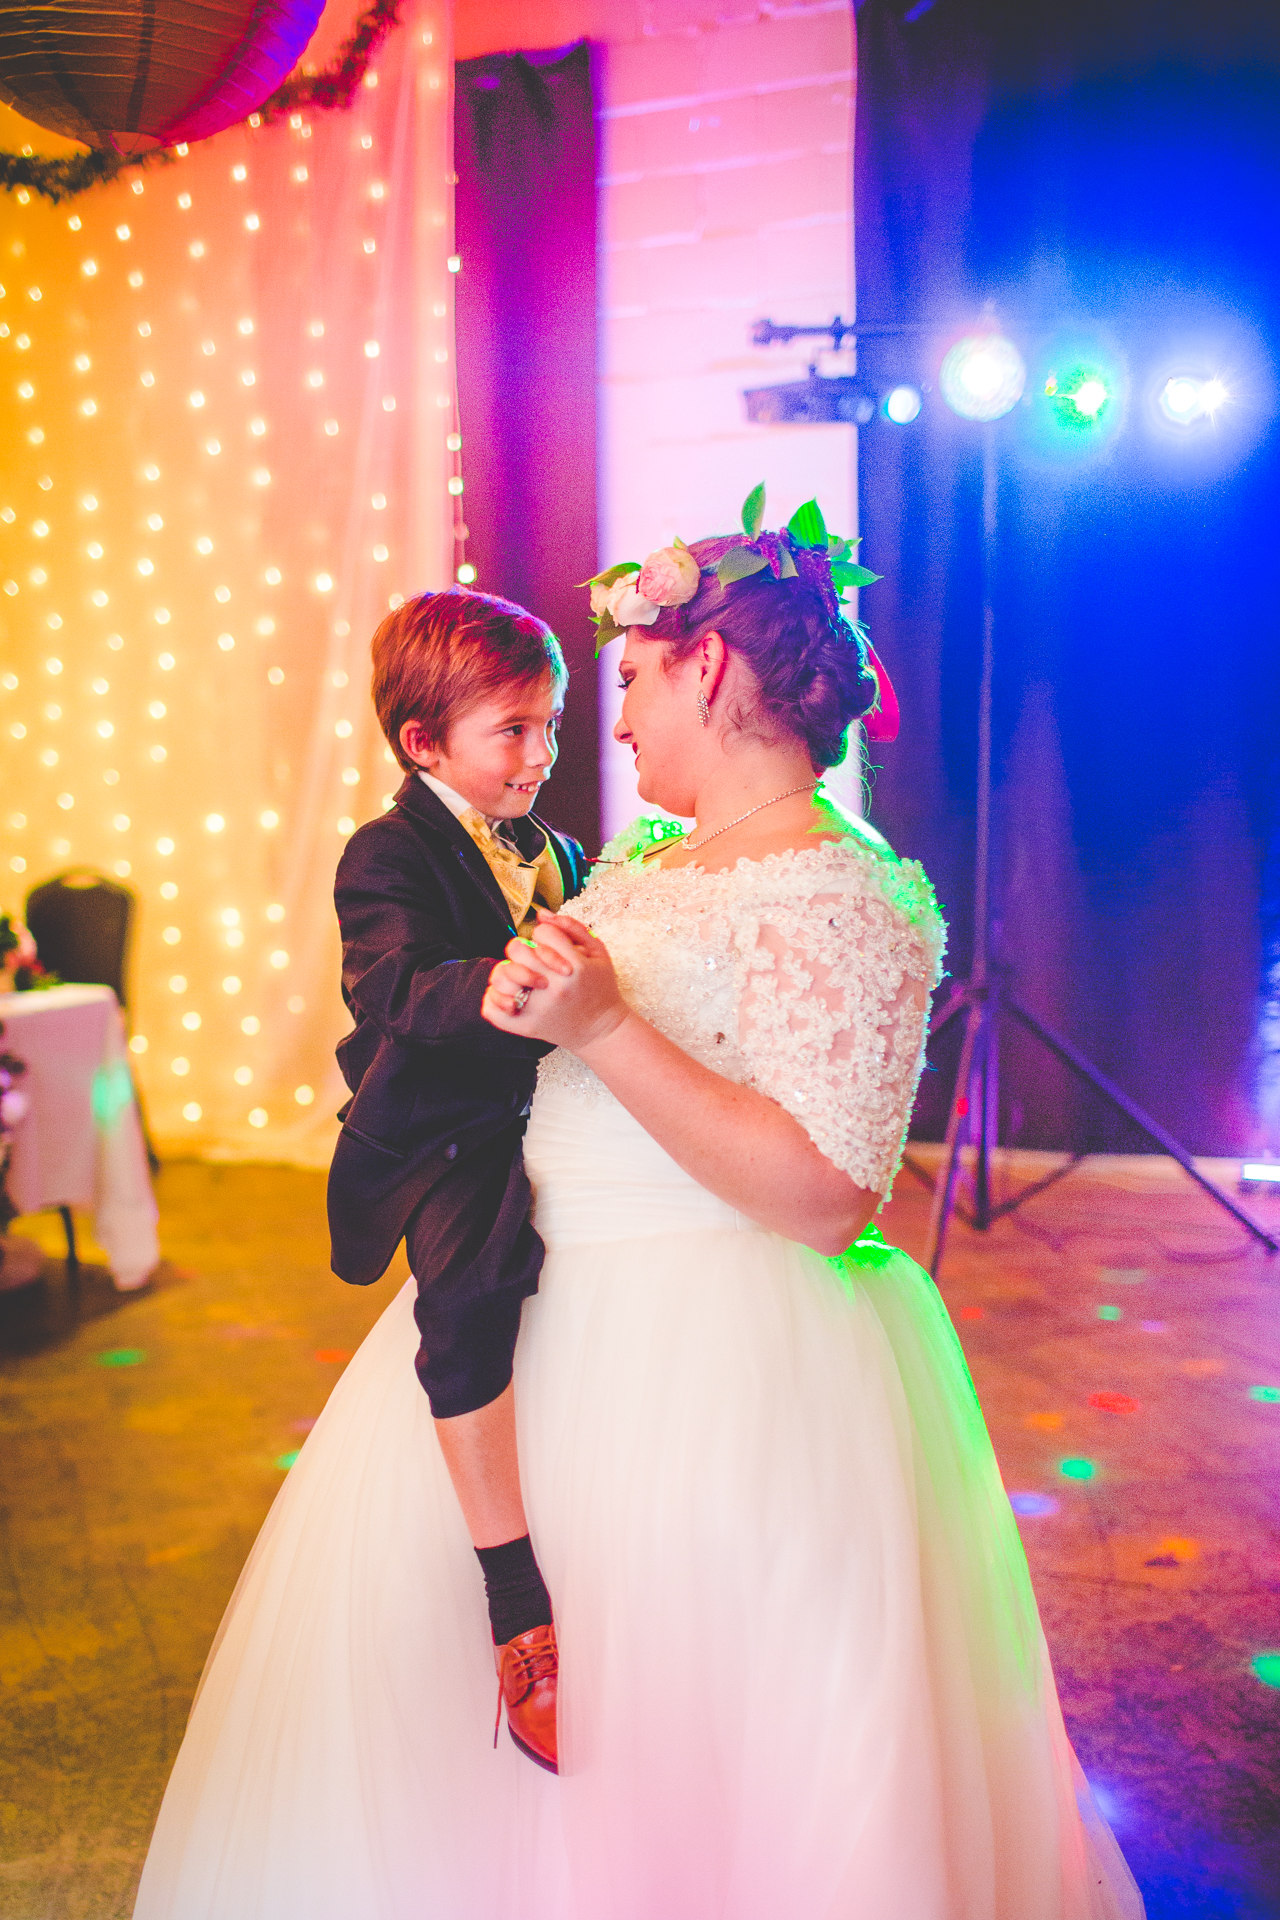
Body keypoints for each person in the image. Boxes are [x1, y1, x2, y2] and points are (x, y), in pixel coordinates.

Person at [133, 489, 1146, 1920]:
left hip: (716, 1367)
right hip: (527, 1310)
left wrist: (607, 1031)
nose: (603, 727)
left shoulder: (849, 895)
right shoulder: (638, 867)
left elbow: (827, 1197)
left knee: (691, 1745)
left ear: (709, 671)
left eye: (626, 681)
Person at [327, 588, 588, 1771]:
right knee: (473, 1293)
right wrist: (491, 983)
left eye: (550, 725)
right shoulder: (384, 851)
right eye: (513, 732)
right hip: (441, 1124)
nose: (539, 755)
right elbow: (389, 985)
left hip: (544, 1105)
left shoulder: (556, 846)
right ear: (422, 742)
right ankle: (510, 1592)